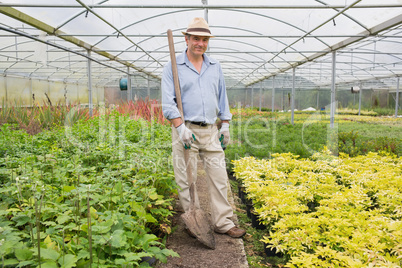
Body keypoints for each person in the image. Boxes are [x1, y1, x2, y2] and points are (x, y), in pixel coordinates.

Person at [161, 17, 246, 238]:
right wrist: (180, 127)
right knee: (186, 179)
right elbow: (168, 103)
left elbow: (222, 97)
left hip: (210, 131)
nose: (200, 43)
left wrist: (225, 124)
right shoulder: (173, 66)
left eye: (205, 39)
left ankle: (223, 222)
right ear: (187, 39)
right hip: (185, 129)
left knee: (218, 176)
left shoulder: (214, 66)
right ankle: (194, 220)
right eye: (196, 38)